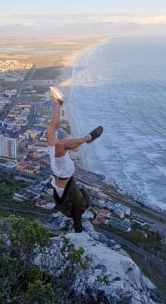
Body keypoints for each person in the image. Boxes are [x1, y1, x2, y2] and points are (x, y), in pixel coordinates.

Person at [47, 86, 103, 232]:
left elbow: (82, 191)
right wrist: (78, 230)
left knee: (51, 130)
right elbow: (78, 217)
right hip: (63, 171)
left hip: (57, 169)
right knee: (60, 144)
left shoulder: (67, 207)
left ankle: (58, 103)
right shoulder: (78, 209)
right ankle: (88, 138)